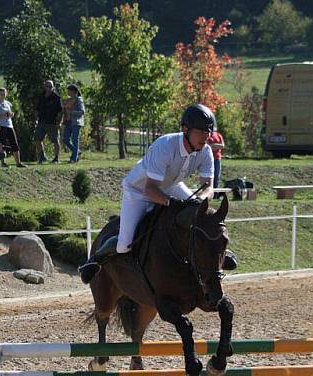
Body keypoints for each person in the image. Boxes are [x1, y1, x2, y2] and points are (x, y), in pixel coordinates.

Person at [78, 104, 217, 284]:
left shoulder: (205, 151)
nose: (205, 137)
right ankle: (95, 259)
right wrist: (172, 203)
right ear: (185, 129)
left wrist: (200, 201)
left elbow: (209, 188)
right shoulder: (165, 145)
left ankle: (217, 252)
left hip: (171, 185)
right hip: (139, 190)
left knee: (202, 213)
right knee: (124, 245)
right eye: (201, 132)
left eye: (208, 132)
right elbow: (150, 189)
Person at [0, 88, 24, 168]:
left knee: (14, 143)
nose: (3, 95)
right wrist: (4, 115)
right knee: (2, 144)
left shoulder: (8, 103)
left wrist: (11, 114)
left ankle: (18, 163)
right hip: (1, 126)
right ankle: (3, 162)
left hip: (10, 125)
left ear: (6, 94)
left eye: (4, 93)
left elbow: (9, 114)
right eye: (1, 94)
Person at [34, 80, 63, 164]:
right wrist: (36, 120)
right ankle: (42, 157)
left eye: (50, 86)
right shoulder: (41, 96)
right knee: (37, 139)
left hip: (52, 122)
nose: (49, 88)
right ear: (44, 87)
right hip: (41, 122)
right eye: (47, 86)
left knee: (55, 141)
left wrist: (59, 122)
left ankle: (56, 158)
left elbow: (61, 111)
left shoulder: (57, 98)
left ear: (53, 87)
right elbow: (37, 109)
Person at [62, 84, 85, 164]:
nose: (68, 92)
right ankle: (77, 151)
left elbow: (82, 112)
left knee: (75, 140)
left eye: (69, 90)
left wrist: (72, 113)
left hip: (76, 122)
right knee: (65, 139)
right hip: (68, 122)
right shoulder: (67, 100)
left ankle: (74, 158)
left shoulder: (79, 100)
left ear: (74, 91)